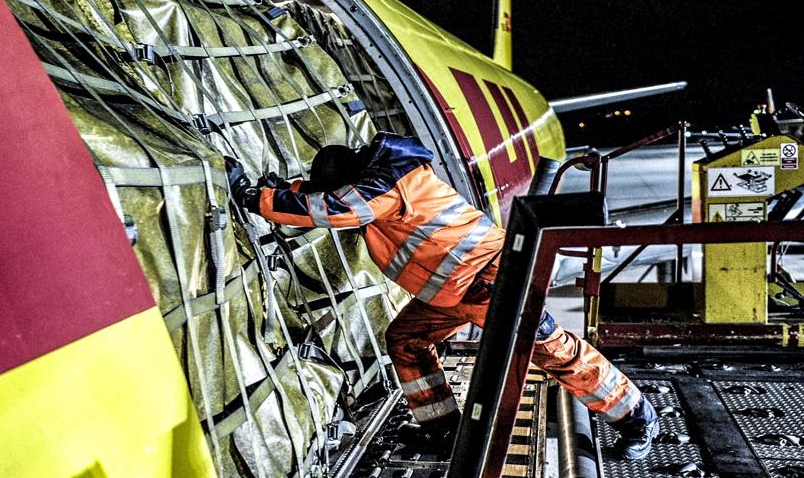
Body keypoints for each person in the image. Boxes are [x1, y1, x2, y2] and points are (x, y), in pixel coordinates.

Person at [225, 132, 658, 459]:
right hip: (458, 290)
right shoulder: (379, 174)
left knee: (553, 352)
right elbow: (332, 196)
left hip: (495, 281)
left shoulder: (386, 187)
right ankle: (445, 431)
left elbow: (338, 208)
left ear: (352, 177)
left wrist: (253, 196)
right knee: (407, 340)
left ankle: (638, 418)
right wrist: (284, 191)